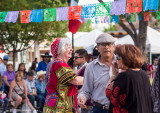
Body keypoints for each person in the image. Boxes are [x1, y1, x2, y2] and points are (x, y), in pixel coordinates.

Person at [106, 44, 153, 113]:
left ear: (126, 58)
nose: (116, 60)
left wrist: (113, 75)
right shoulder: (144, 74)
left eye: (118, 57)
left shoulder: (124, 76)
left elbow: (110, 95)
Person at [78, 33, 117, 113]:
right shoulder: (91, 67)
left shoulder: (122, 64)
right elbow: (86, 90)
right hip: (99, 109)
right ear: (97, 48)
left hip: (119, 109)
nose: (106, 47)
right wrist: (82, 97)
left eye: (109, 44)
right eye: (103, 45)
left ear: (114, 47)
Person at [43, 38, 84, 113]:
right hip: (60, 106)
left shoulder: (53, 63)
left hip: (53, 103)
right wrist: (92, 79)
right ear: (61, 49)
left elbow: (72, 74)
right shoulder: (59, 63)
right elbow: (75, 80)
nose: (71, 49)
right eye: (68, 46)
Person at [74, 49, 92, 113]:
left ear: (83, 58)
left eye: (76, 57)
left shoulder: (87, 68)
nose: (74, 59)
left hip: (87, 104)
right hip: (81, 102)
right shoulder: (80, 68)